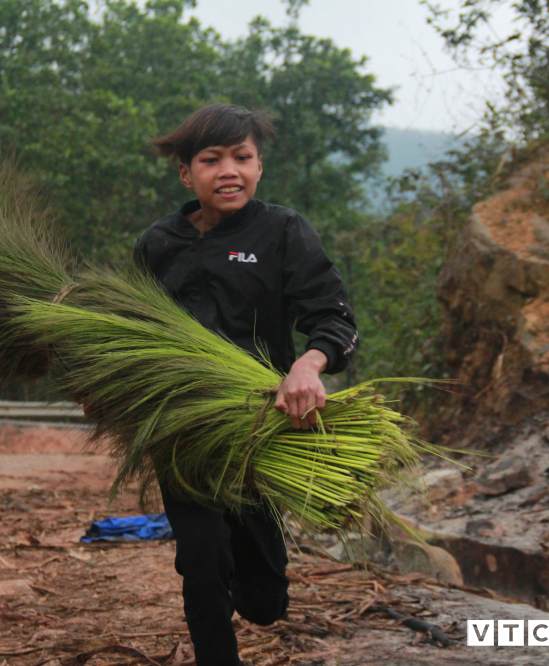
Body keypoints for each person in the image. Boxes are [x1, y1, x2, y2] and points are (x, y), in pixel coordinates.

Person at [133, 103, 358, 666]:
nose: (228, 170)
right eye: (211, 160)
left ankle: (254, 562)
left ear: (259, 167)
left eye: (243, 157)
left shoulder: (282, 231)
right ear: (186, 173)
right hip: (182, 426)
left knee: (264, 603)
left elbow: (334, 318)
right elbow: (131, 335)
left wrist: (306, 367)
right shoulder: (157, 244)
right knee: (201, 552)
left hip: (261, 426)